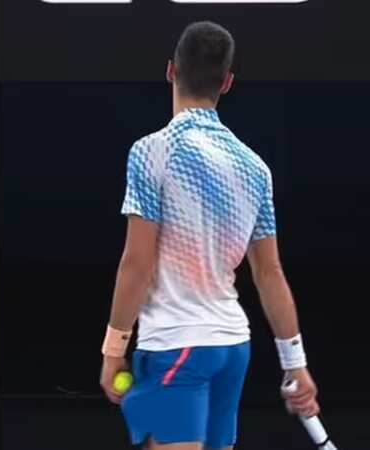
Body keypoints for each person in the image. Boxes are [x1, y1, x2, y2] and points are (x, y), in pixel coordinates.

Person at [98, 21, 320, 450]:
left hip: (177, 348)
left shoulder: (151, 152)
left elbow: (137, 263)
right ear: (227, 82)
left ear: (170, 71)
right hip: (232, 348)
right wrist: (296, 364)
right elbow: (270, 272)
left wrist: (113, 349)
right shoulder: (255, 168)